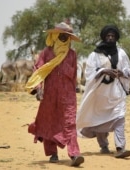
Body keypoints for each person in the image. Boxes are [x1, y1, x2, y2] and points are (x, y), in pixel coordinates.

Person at [25, 21, 84, 166]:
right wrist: (38, 88)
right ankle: (52, 153)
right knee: (49, 122)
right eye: (62, 35)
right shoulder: (46, 53)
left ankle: (74, 154)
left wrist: (76, 87)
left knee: (70, 123)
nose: (64, 38)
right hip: (50, 95)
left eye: (67, 36)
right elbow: (39, 71)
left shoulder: (72, 54)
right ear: (55, 35)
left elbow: (74, 74)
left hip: (68, 96)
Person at [76, 24, 130, 159]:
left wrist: (121, 72)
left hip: (117, 92)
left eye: (113, 36)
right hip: (100, 93)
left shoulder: (121, 53)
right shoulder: (94, 55)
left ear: (116, 38)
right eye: (108, 36)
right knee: (99, 120)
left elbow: (128, 70)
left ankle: (120, 148)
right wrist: (104, 71)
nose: (110, 38)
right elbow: (89, 72)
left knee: (119, 118)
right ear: (104, 37)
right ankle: (103, 145)